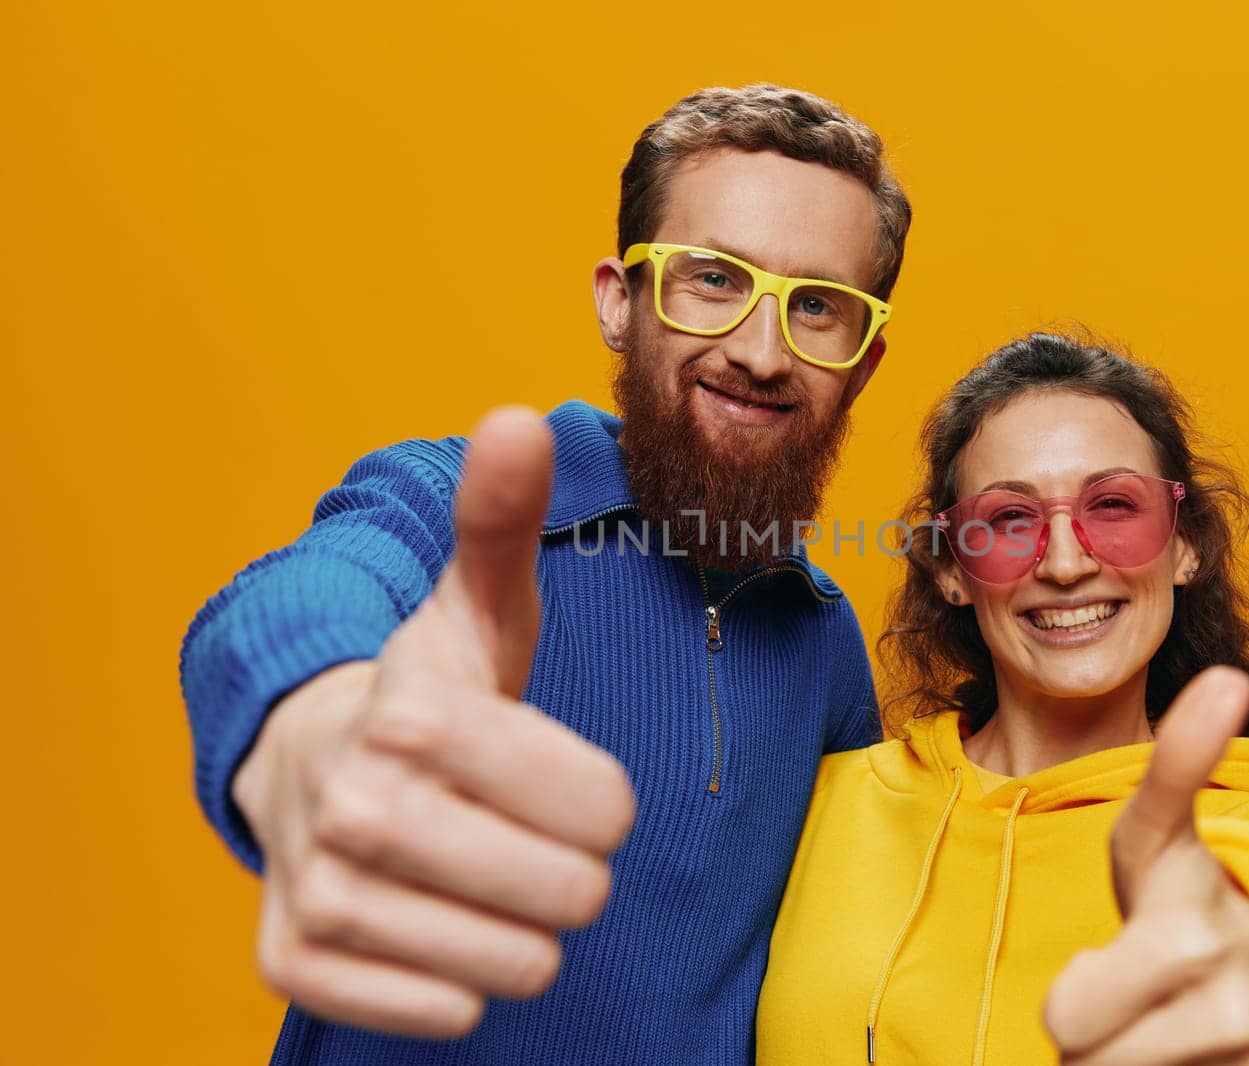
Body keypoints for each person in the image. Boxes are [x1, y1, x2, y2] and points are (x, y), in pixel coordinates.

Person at [179, 83, 911, 1064]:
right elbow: (305, 589)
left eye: (818, 306)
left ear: (860, 363)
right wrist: (314, 717)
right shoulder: (465, 505)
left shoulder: (823, 642)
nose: (759, 350)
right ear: (621, 301)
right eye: (713, 279)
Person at [756, 333, 1249, 1065]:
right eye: (1009, 520)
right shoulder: (828, 801)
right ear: (951, 568)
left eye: (1115, 505)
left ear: (1185, 544)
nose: (1065, 563)